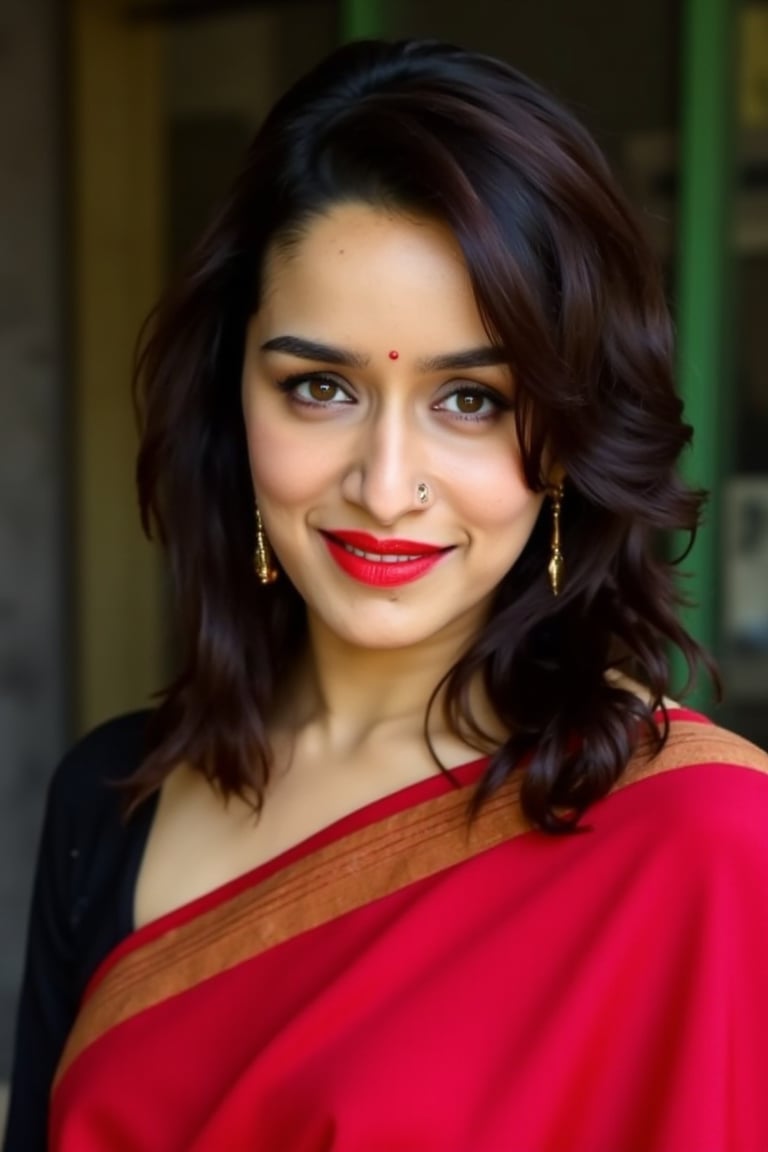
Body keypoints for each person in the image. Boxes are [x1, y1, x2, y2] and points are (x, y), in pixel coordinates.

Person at [5, 37, 768, 1152]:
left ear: (568, 433)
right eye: (319, 388)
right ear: (233, 401)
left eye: (470, 399)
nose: (385, 486)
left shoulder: (704, 844)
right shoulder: (111, 800)